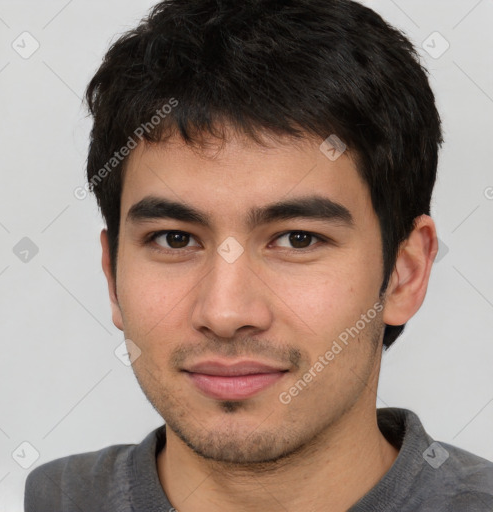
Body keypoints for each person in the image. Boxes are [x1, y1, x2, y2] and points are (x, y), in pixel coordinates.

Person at [24, 0, 493, 510]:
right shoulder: (56, 498)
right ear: (113, 276)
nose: (225, 314)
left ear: (405, 273)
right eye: (174, 239)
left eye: (297, 239)